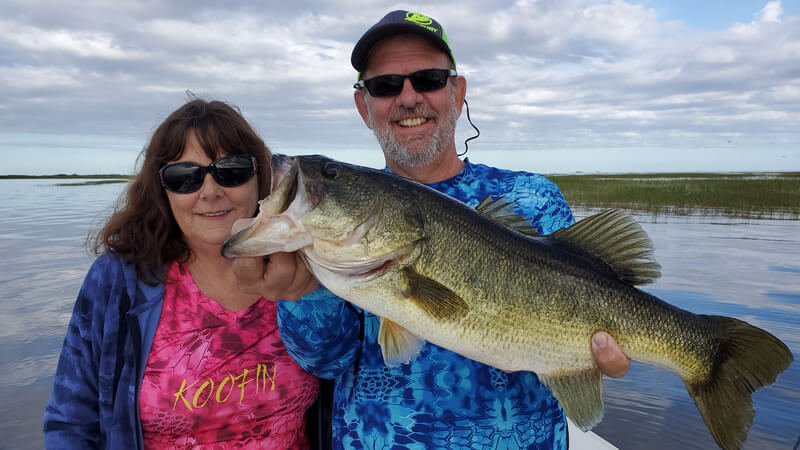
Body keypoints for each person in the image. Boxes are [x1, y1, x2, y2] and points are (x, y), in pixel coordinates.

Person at [233, 10, 631, 449]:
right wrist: (301, 293)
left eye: (428, 79)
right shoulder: (328, 248)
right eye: (385, 86)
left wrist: (600, 358)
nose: (408, 98)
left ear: (457, 94)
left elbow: (595, 315)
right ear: (364, 106)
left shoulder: (533, 198)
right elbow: (325, 361)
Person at [43, 99, 321, 449]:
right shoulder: (119, 280)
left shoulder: (302, 268)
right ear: (162, 190)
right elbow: (71, 423)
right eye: (184, 177)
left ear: (262, 177)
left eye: (231, 170)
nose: (210, 191)